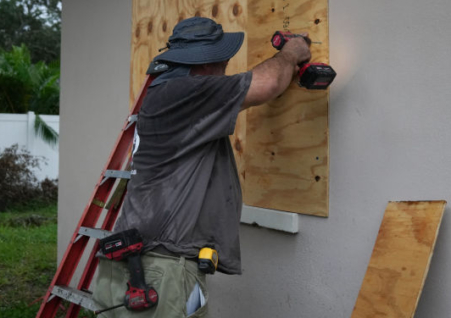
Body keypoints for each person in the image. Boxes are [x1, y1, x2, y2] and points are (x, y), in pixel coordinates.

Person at [94, 16, 311, 317]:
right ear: (205, 64)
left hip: (140, 262)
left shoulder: (165, 94)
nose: (225, 67)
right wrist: (292, 52)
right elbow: (269, 83)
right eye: (222, 59)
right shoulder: (186, 93)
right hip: (160, 269)